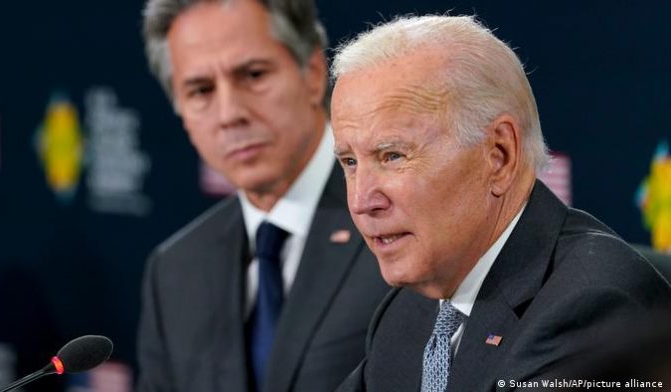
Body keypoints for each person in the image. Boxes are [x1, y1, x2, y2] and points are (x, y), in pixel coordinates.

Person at [329, 15, 671, 392]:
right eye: (349, 162)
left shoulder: (592, 306)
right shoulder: (407, 312)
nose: (362, 201)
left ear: (499, 155)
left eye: (392, 156)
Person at [136, 1, 389, 391]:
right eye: (200, 90)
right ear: (181, 111)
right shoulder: (175, 272)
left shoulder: (396, 224)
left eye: (253, 75)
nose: (229, 113)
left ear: (313, 74)